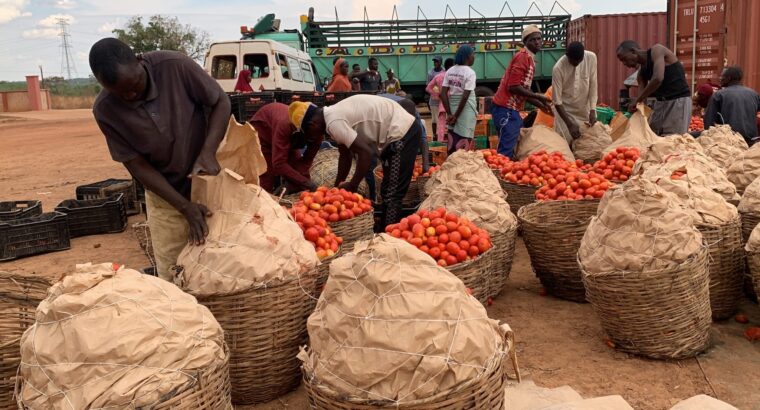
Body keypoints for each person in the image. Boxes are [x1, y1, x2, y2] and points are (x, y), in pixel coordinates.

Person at [88, 38, 230, 280]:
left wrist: (207, 152)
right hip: (165, 196)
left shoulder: (175, 65)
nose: (131, 95)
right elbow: (136, 165)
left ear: (140, 62)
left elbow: (220, 101)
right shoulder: (105, 110)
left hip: (210, 183)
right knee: (175, 275)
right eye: (121, 94)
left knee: (224, 268)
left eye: (135, 85)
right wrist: (184, 207)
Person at [288, 95, 420, 229]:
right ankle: (387, 228)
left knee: (392, 193)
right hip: (395, 132)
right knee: (387, 190)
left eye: (309, 134)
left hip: (403, 132)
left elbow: (365, 154)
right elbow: (345, 156)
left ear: (313, 124)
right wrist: (335, 189)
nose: (312, 138)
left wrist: (353, 184)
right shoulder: (332, 117)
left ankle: (389, 236)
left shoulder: (334, 121)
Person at [491, 25, 551, 158]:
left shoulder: (530, 59)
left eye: (539, 39)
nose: (537, 42)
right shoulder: (522, 57)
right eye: (533, 39)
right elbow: (513, 87)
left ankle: (504, 169)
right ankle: (501, 173)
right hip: (505, 108)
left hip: (511, 109)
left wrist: (541, 105)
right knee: (506, 150)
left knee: (510, 144)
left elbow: (523, 91)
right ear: (525, 42)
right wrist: (539, 97)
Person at [616, 40, 691, 135]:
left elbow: (658, 78)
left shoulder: (657, 50)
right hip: (660, 104)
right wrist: (635, 107)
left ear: (633, 51)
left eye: (624, 59)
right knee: (655, 136)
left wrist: (638, 100)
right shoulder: (641, 72)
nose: (624, 63)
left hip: (678, 102)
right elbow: (641, 97)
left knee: (674, 139)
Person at [251, 102, 323, 194]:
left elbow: (307, 160)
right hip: (263, 131)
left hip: (288, 135)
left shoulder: (318, 130)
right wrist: (305, 183)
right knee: (267, 173)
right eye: (311, 137)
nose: (315, 139)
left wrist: (300, 180)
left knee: (298, 172)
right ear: (308, 126)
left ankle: (286, 190)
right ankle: (264, 199)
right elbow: (279, 164)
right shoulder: (285, 125)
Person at [551, 42, 598, 143]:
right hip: (565, 112)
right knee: (565, 144)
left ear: (583, 55)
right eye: (573, 61)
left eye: (579, 60)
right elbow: (557, 101)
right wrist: (569, 124)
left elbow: (593, 85)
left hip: (584, 110)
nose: (576, 63)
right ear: (567, 56)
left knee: (585, 144)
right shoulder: (558, 68)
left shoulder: (591, 58)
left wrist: (593, 109)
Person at [704, 66, 760, 145]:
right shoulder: (754, 94)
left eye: (722, 76)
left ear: (729, 78)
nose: (720, 78)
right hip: (751, 141)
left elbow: (708, 122)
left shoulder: (718, 95)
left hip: (729, 142)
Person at [440, 45, 478, 155]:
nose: (474, 57)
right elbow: (465, 96)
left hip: (452, 107)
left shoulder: (450, 71)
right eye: (473, 55)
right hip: (465, 109)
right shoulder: (470, 72)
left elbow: (443, 94)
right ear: (468, 56)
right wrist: (456, 116)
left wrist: (450, 114)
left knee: (453, 135)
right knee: (465, 136)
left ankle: (452, 162)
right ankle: (462, 166)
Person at [426, 58, 455, 141]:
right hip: (453, 103)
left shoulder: (438, 76)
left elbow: (428, 88)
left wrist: (438, 95)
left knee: (441, 124)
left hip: (442, 103)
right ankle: (452, 141)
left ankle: (440, 141)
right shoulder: (453, 76)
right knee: (453, 123)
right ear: (450, 66)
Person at [427, 56, 445, 135]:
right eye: (434, 62)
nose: (435, 63)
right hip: (434, 100)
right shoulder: (430, 73)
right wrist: (435, 93)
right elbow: (428, 85)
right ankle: (435, 136)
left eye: (437, 61)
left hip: (443, 100)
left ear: (441, 62)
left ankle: (442, 135)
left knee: (443, 119)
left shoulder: (444, 72)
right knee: (434, 120)